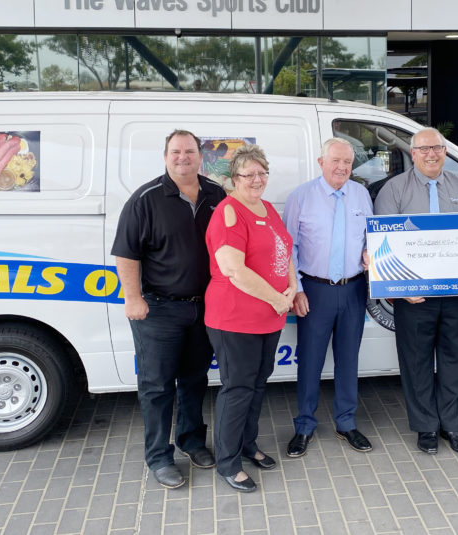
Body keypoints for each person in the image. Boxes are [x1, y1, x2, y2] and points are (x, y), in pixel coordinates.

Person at [112, 129, 226, 489]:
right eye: (176, 152)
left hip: (203, 308)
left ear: (200, 156)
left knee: (194, 380)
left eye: (189, 151)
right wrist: (133, 298)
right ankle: (160, 456)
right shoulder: (145, 199)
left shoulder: (216, 194)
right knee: (157, 386)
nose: (183, 157)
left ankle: (191, 441)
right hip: (158, 310)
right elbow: (126, 253)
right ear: (165, 157)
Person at [373, 128, 458, 455]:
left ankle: (452, 425)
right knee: (416, 363)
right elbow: (383, 244)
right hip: (413, 296)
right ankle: (426, 428)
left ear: (445, 152)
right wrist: (400, 288)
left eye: (436, 148)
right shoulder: (394, 190)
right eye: (424, 149)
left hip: (457, 295)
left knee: (454, 361)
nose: (431, 154)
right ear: (413, 153)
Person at [205, 144, 295, 492]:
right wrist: (277, 299)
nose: (257, 180)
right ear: (234, 179)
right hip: (235, 318)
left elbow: (284, 251)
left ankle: (247, 445)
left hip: (269, 315)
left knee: (257, 385)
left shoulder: (268, 208)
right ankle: (227, 462)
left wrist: (291, 288)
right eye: (249, 174)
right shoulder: (229, 212)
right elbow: (232, 269)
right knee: (238, 388)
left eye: (262, 173)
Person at [283, 138, 374, 458]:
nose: (342, 167)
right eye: (336, 160)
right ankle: (304, 425)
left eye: (348, 162)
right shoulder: (301, 197)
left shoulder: (361, 194)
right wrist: (297, 290)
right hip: (315, 291)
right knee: (310, 361)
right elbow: (288, 248)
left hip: (352, 289)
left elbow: (370, 239)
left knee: (348, 359)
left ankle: (346, 422)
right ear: (321, 162)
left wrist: (368, 252)